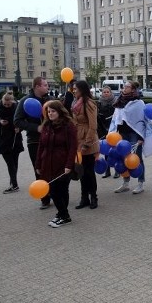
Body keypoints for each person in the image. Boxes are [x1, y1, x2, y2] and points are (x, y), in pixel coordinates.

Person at [110, 80, 152, 194]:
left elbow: (145, 121)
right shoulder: (119, 101)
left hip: (134, 134)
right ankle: (125, 183)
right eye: (124, 87)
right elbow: (116, 118)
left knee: (137, 158)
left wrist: (142, 137)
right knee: (123, 158)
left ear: (132, 89)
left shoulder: (139, 103)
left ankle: (140, 183)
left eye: (127, 87)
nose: (124, 89)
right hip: (121, 133)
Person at [36, 101, 78, 227]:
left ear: (59, 111)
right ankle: (62, 213)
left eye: (53, 111)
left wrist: (69, 165)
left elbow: (72, 147)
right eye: (48, 112)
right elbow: (41, 146)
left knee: (59, 190)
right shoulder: (47, 126)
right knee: (54, 190)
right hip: (47, 163)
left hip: (62, 163)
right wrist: (37, 164)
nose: (50, 114)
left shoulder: (68, 126)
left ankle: (64, 215)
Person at [14, 77, 51, 208]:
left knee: (52, 167)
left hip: (51, 139)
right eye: (45, 85)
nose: (48, 87)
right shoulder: (25, 101)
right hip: (34, 141)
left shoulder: (49, 100)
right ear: (37, 86)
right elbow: (17, 121)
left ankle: (54, 192)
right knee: (39, 168)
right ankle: (44, 197)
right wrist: (36, 128)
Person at [71, 81, 100, 209]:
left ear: (82, 89)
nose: (73, 90)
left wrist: (87, 143)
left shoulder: (89, 103)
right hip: (78, 138)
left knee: (89, 171)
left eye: (75, 88)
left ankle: (93, 197)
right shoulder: (75, 102)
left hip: (88, 139)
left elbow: (93, 125)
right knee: (80, 171)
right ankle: (84, 198)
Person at [0, 92, 24, 194]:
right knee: (10, 163)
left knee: (14, 163)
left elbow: (22, 122)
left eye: (9, 104)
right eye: (5, 104)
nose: (7, 106)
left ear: (12, 102)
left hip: (15, 138)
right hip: (3, 139)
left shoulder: (17, 108)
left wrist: (20, 128)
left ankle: (13, 184)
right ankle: (14, 184)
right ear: (2, 101)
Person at [96, 86, 116, 178]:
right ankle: (107, 171)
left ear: (110, 93)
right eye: (104, 92)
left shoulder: (115, 102)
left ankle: (117, 170)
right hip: (103, 129)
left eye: (108, 92)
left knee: (115, 150)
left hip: (113, 128)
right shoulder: (99, 103)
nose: (106, 93)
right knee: (106, 149)